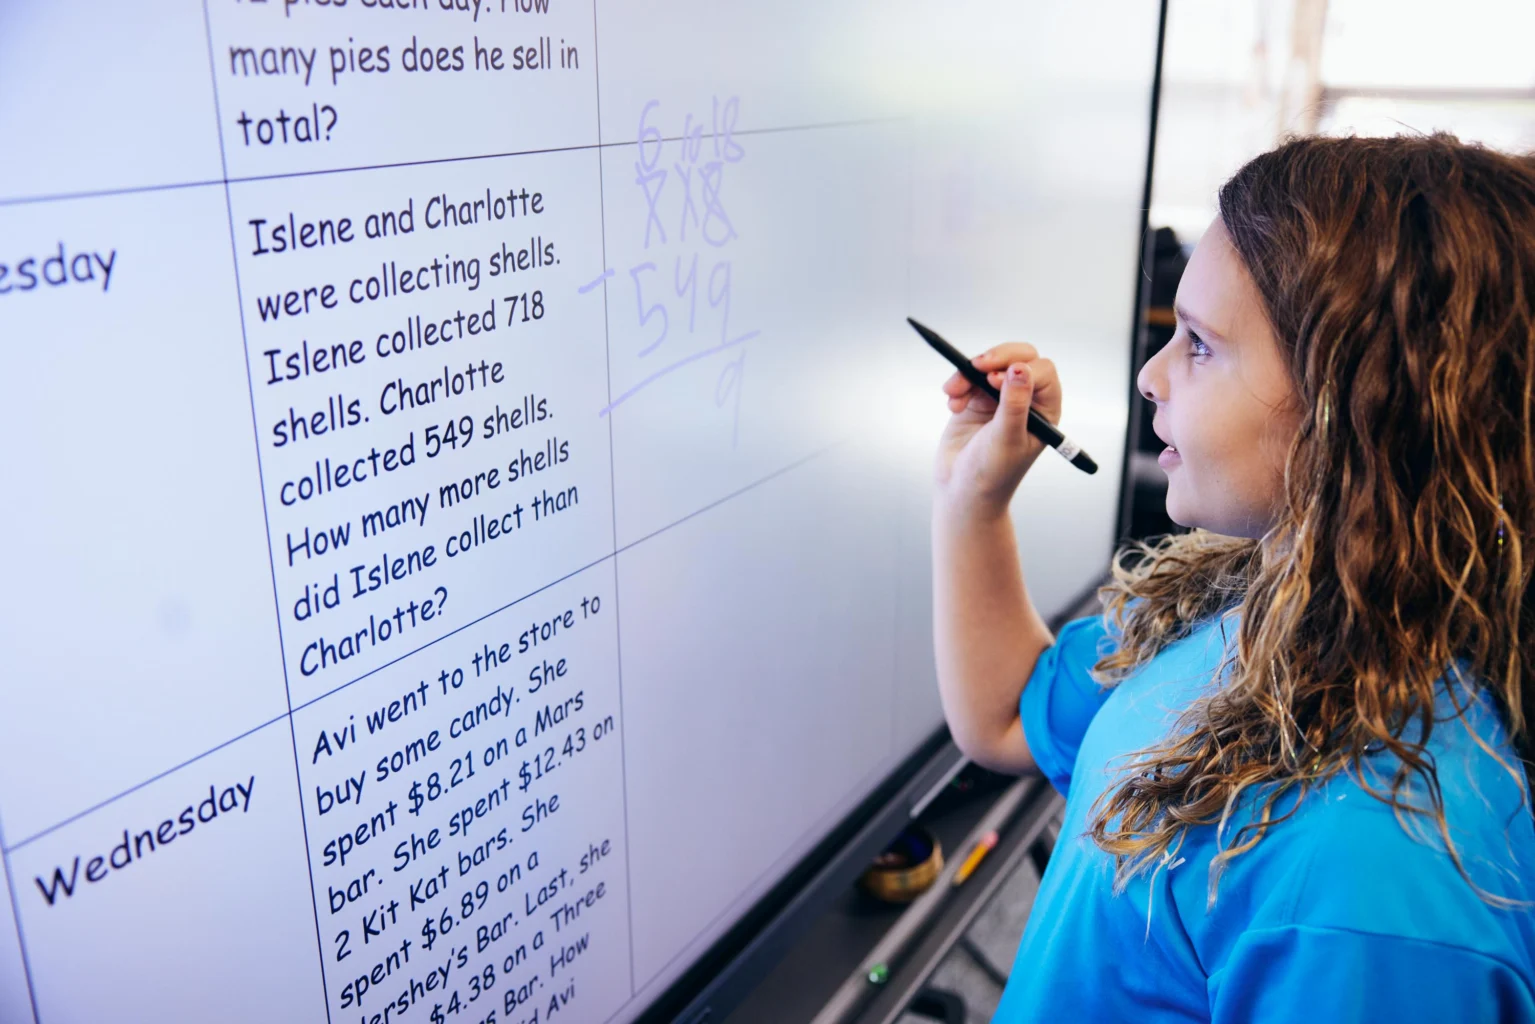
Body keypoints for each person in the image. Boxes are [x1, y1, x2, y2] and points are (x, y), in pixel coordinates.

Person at [932, 133, 1535, 1021]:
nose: (1149, 375)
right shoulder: (1249, 608)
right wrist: (971, 501)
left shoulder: (1369, 883)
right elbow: (1004, 717)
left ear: (1358, 405)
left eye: (1198, 346)